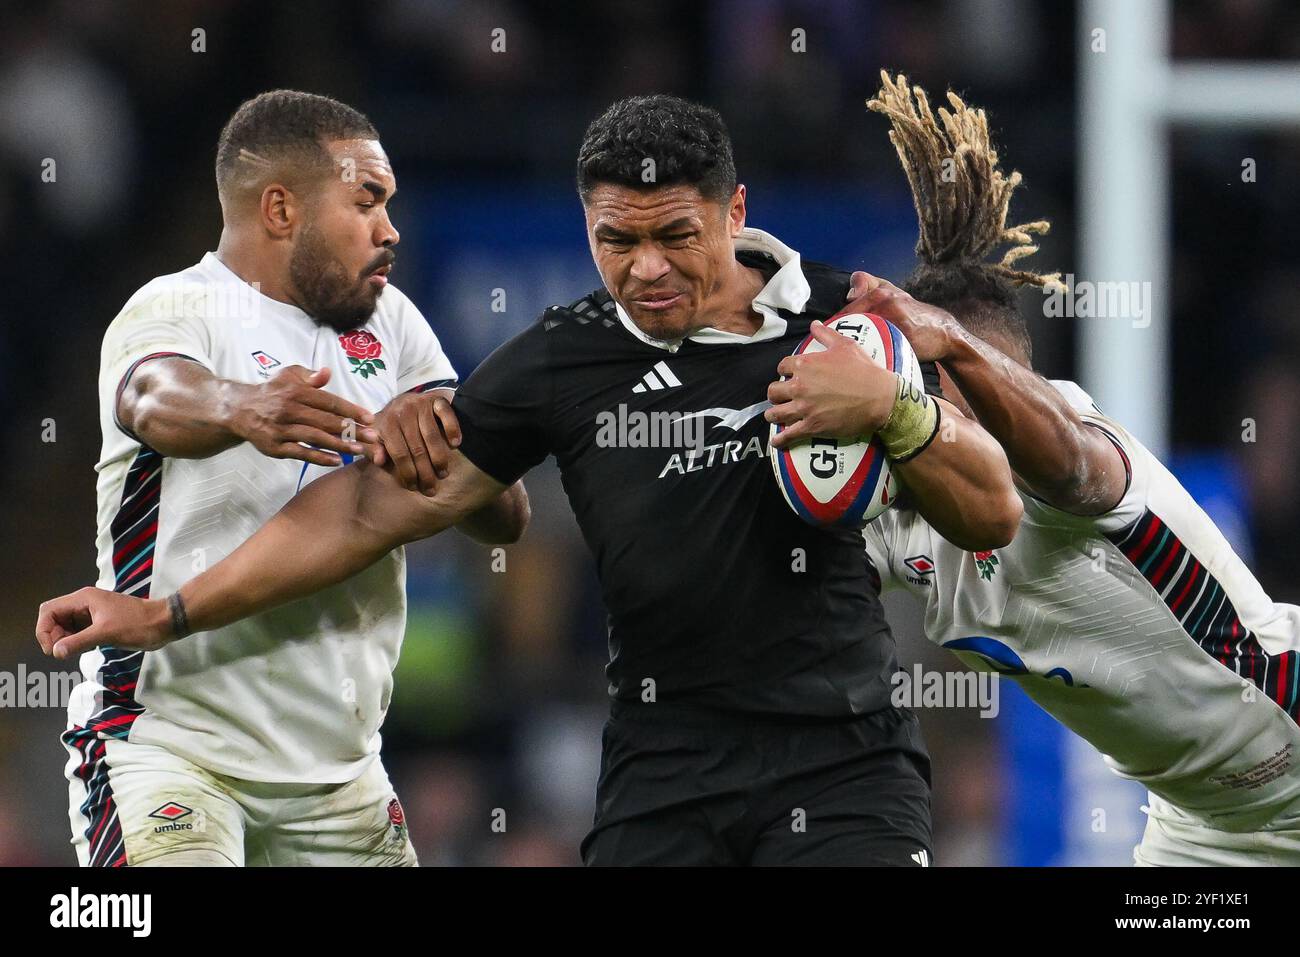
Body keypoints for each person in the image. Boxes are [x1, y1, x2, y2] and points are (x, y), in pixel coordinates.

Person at [39, 93, 1021, 866]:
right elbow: (362, 513)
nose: (642, 269)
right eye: (614, 239)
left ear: (734, 212)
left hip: (843, 755)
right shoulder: (564, 357)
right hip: (662, 769)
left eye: (673, 235)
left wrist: (897, 409)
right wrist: (168, 617)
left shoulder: (847, 320)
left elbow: (993, 510)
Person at [767, 72, 1300, 866]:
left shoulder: (1067, 441)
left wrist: (943, 342)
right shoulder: (902, 509)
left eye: (928, 387)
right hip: (1205, 827)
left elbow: (1070, 468)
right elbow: (788, 578)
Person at [54, 89, 528, 867]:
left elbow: (504, 514)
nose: (390, 228)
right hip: (170, 747)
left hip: (340, 777)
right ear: (280, 209)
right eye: (366, 201)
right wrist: (240, 405)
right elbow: (152, 396)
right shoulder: (176, 305)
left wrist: (449, 431)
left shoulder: (394, 323)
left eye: (390, 204)